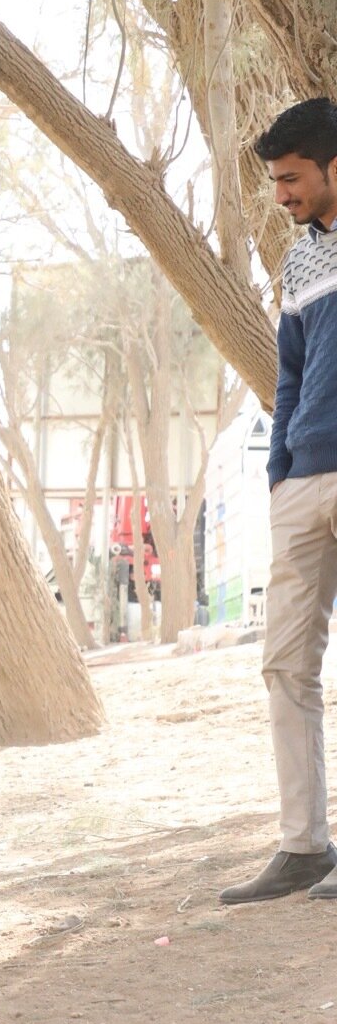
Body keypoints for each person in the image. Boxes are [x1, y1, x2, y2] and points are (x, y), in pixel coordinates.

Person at [223, 97, 337, 904]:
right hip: (303, 480)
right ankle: (303, 846)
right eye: (274, 181)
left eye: (292, 178)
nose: (282, 195)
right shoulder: (300, 262)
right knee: (284, 665)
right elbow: (289, 371)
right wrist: (281, 470)